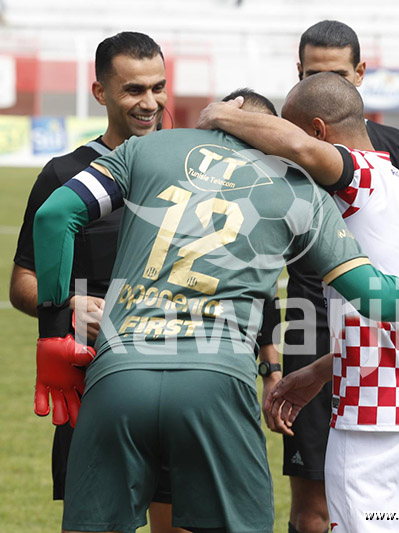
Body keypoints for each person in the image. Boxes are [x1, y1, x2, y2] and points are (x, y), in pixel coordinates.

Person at [32, 91, 399, 533]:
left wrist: (52, 334)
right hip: (216, 380)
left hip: (118, 372)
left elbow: (55, 216)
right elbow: (376, 299)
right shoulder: (298, 187)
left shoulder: (145, 147)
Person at [197, 72, 399, 532]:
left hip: (377, 416)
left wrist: (217, 113)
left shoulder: (362, 179)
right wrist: (321, 371)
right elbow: (394, 319)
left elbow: (297, 148)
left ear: (318, 132)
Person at [257, 19, 399, 533]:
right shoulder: (284, 149)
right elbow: (264, 261)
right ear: (298, 74)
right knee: (315, 504)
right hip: (313, 323)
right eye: (313, 73)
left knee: (392, 503)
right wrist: (271, 359)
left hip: (391, 328)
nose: (325, 82)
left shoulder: (387, 153)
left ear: (359, 73)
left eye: (337, 72)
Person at [10, 30, 183, 533]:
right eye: (133, 90)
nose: (149, 102)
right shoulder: (63, 175)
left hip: (176, 380)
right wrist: (67, 307)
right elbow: (23, 280)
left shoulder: (190, 171)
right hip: (92, 385)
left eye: (158, 87)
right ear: (101, 92)